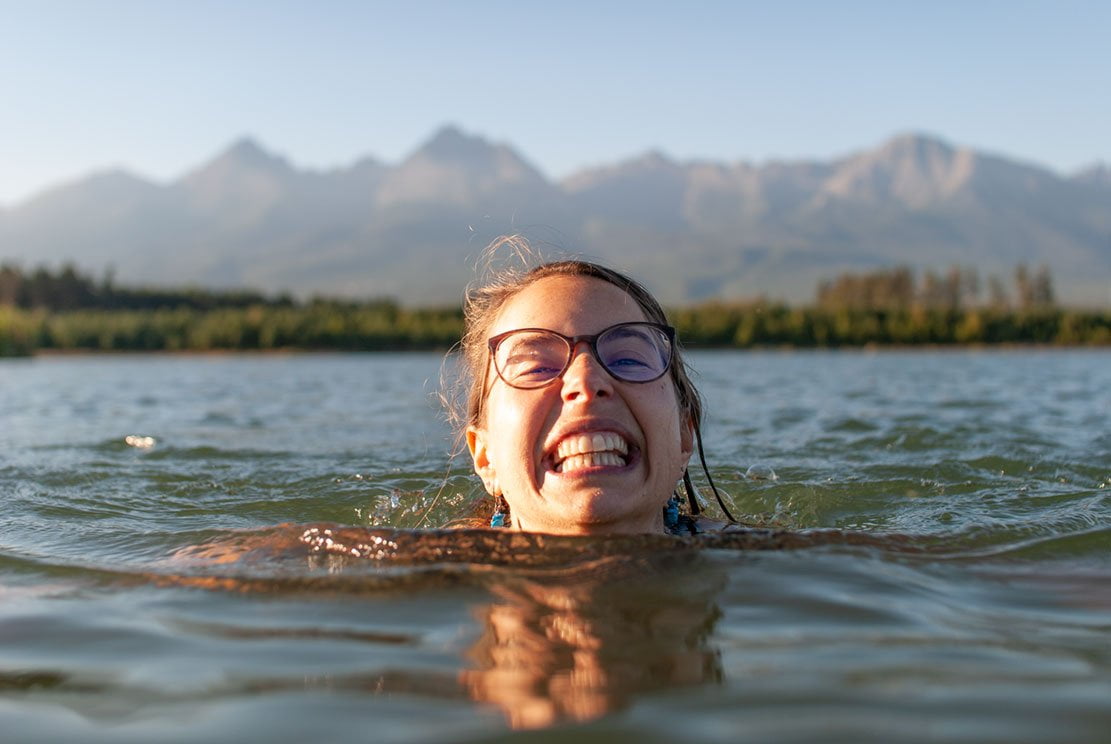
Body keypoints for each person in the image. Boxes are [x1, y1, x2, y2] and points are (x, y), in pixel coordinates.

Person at [447, 237, 736, 535]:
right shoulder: (420, 568)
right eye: (537, 367)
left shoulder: (770, 560)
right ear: (485, 455)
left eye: (628, 360)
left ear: (683, 438)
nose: (586, 383)